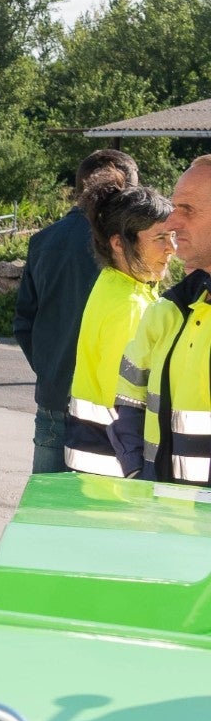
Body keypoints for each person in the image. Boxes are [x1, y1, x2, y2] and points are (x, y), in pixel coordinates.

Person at [16, 149, 140, 474]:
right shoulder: (127, 249)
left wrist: (50, 369)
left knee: (46, 511)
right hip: (112, 410)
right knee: (100, 516)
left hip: (54, 398)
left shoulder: (43, 240)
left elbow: (24, 323)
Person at [109, 158, 211, 485]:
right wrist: (139, 470)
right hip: (165, 518)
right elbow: (129, 398)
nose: (172, 222)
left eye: (188, 209)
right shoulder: (168, 310)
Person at [66, 185, 173, 475]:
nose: (171, 249)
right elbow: (126, 401)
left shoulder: (115, 283)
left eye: (172, 236)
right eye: (160, 238)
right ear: (118, 243)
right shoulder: (130, 305)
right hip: (115, 465)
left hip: (98, 456)